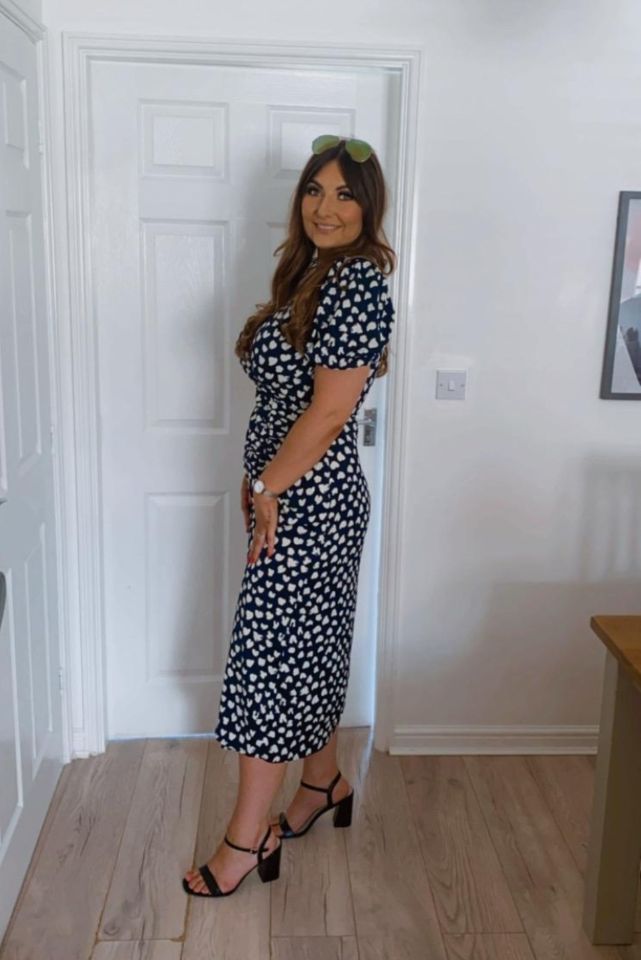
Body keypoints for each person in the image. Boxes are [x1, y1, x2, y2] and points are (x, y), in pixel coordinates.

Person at [182, 134, 397, 898]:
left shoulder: (357, 285)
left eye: (344, 195)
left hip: (308, 500)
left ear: (369, 208)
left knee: (268, 666)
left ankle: (246, 838)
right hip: (290, 494)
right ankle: (324, 784)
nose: (325, 207)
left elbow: (333, 407)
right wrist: (264, 484)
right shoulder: (311, 271)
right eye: (315, 190)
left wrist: (269, 486)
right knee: (304, 648)